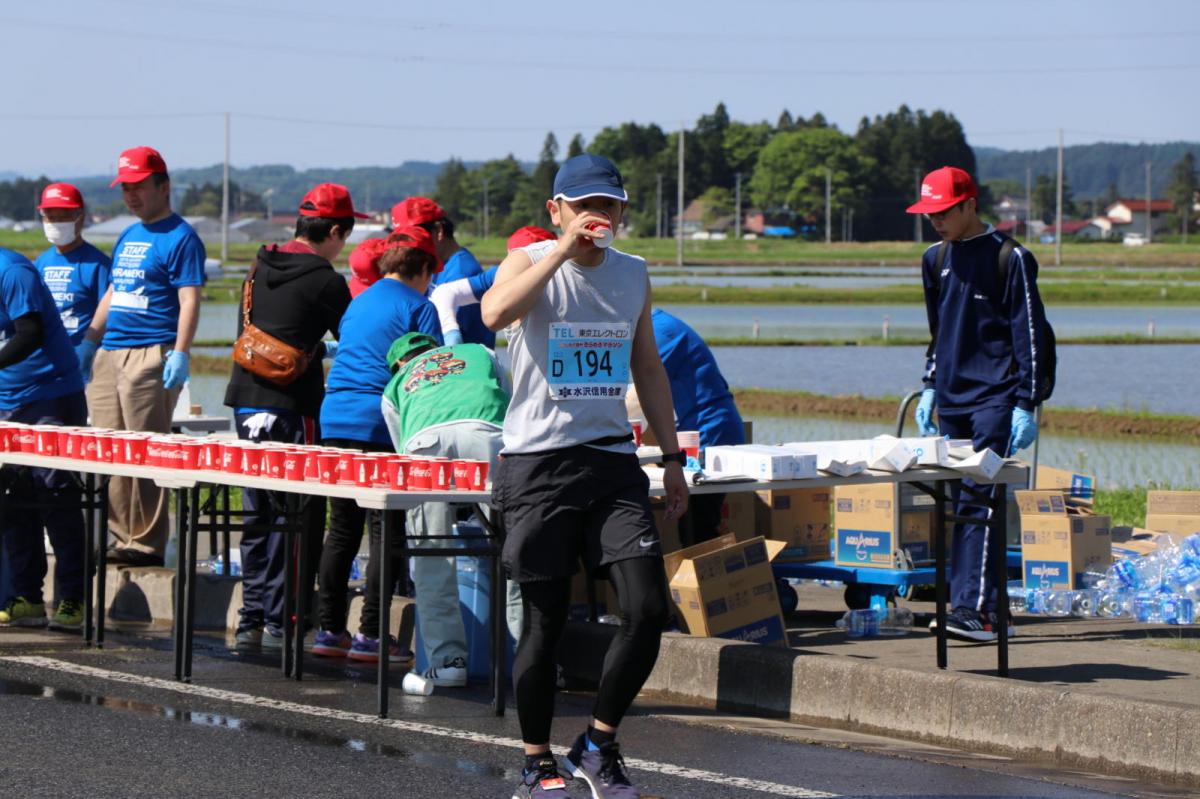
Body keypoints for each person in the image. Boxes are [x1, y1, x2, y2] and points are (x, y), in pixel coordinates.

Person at [481, 154, 688, 799]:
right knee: (544, 622)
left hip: (611, 460)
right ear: (557, 209)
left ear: (624, 211)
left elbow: (647, 365)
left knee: (648, 607)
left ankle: (598, 743)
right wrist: (560, 252)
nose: (598, 216)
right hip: (538, 462)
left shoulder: (634, 274)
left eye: (610, 205)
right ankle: (537, 758)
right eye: (583, 205)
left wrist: (674, 459)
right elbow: (493, 314)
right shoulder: (530, 260)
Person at [907, 165, 1050, 642]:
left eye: (944, 212)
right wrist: (929, 384)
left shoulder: (1010, 258)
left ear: (970, 204)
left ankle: (975, 610)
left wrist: (1026, 402)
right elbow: (938, 332)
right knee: (957, 503)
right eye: (930, 214)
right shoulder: (934, 259)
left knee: (979, 501)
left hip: (995, 397)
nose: (937, 221)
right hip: (952, 399)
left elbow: (1028, 335)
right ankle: (978, 604)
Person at [223, 183, 359, 649]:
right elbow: (355, 335)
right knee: (296, 515)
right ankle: (285, 619)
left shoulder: (260, 263)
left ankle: (251, 617)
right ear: (336, 231)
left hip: (245, 400)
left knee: (257, 512)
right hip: (293, 405)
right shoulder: (326, 279)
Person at [314, 227, 443, 662]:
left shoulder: (358, 303)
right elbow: (429, 377)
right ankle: (371, 633)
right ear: (422, 270)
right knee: (385, 530)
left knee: (342, 529)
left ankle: (330, 630)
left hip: (333, 415)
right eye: (430, 274)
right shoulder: (419, 307)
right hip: (378, 422)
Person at [82, 146, 206, 567]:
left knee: (146, 450)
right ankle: (122, 537)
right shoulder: (128, 235)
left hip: (150, 351)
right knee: (111, 452)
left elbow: (189, 299)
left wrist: (181, 352)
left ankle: (148, 543)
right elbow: (114, 290)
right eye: (125, 189)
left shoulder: (181, 237)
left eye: (138, 187)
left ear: (163, 187)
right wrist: (90, 338)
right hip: (110, 352)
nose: (130, 196)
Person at [380, 331, 508, 687]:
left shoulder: (396, 384)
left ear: (400, 364)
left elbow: (402, 450)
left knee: (431, 550)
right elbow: (507, 399)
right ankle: (525, 655)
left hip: (426, 446)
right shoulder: (479, 352)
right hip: (488, 435)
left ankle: (448, 661)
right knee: (512, 545)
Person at [0, 247, 88, 630]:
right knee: (14, 499)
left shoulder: (14, 272)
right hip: (8, 400)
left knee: (56, 496)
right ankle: (28, 598)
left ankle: (72, 598)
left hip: (50, 393)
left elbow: (30, 333)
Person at [640, 308, 745, 546]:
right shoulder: (655, 325)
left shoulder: (658, 332)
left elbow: (637, 393)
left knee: (699, 530)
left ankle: (715, 580)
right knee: (698, 525)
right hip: (699, 432)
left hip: (709, 434)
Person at [429, 225, 555, 347]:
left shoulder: (564, 273)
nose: (515, 266)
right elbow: (444, 293)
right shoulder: (501, 274)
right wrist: (452, 337)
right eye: (511, 257)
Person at [392, 197, 494, 347]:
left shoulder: (461, 272)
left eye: (414, 235)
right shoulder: (431, 264)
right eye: (401, 239)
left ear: (439, 230)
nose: (407, 246)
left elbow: (450, 337)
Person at [32, 183, 111, 367]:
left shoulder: (98, 265)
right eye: (51, 217)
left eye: (64, 217)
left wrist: (88, 345)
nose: (56, 223)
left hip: (85, 365)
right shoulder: (41, 262)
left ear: (80, 218)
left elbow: (110, 313)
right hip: (47, 364)